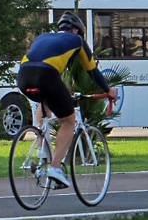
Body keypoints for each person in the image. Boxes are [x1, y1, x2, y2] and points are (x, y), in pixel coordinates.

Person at [16, 11, 117, 189]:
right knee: (69, 121)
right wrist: (108, 90)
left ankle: (42, 150)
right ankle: (55, 168)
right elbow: (92, 71)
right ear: (77, 30)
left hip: (23, 76)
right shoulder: (77, 41)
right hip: (46, 75)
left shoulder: (43, 37)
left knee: (44, 102)